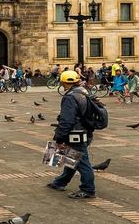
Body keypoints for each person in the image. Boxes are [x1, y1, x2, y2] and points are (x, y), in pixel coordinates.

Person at [46, 70, 97, 199]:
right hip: (86, 131)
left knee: (82, 161)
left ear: (63, 82)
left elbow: (67, 120)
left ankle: (88, 189)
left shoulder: (70, 97)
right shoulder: (84, 92)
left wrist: (59, 138)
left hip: (75, 133)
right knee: (71, 157)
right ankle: (60, 182)